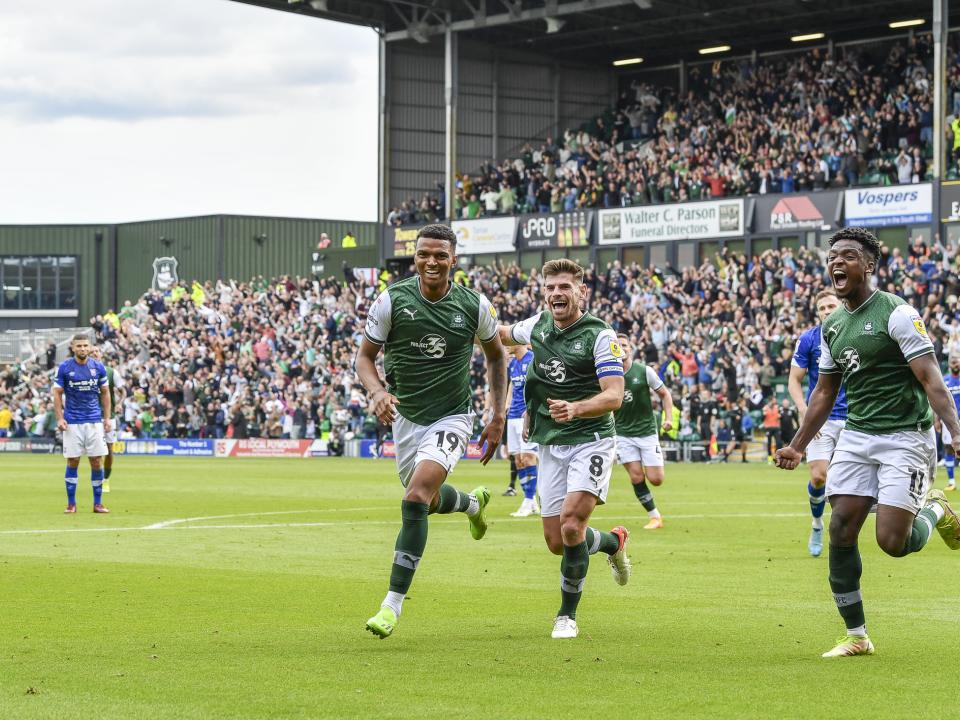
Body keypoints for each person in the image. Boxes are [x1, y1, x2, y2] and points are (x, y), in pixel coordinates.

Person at [776, 227, 960, 658]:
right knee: (841, 526)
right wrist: (798, 445)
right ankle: (857, 634)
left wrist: (956, 430)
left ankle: (935, 510)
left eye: (849, 256)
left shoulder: (897, 313)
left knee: (893, 543)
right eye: (833, 257)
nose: (837, 263)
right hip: (857, 435)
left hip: (905, 438)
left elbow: (932, 379)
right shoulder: (832, 326)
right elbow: (823, 392)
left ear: (870, 265)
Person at [356, 223, 508, 639]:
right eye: (424, 254)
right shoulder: (392, 300)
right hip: (405, 417)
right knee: (425, 499)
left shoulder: (474, 305)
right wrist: (376, 392)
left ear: (453, 259)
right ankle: (471, 505)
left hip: (452, 417)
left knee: (415, 497)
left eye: (441, 255)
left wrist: (497, 415)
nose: (432, 262)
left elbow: (497, 358)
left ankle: (391, 606)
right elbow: (365, 358)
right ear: (415, 257)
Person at [499, 258, 631, 640]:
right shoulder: (537, 324)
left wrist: (576, 408)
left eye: (565, 287)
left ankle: (566, 616)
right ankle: (612, 542)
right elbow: (503, 333)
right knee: (558, 541)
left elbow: (614, 396)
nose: (557, 293)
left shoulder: (600, 336)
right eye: (551, 287)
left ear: (581, 291)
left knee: (572, 524)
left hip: (591, 440)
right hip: (550, 442)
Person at [788, 289, 848, 557]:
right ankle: (816, 523)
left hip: (853, 418)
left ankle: (844, 532)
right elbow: (794, 380)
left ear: (841, 306)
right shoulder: (809, 339)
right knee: (819, 476)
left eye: (831, 305)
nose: (826, 310)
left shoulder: (855, 333)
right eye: (822, 307)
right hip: (821, 418)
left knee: (846, 482)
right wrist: (804, 409)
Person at [614, 333, 674, 529]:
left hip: (647, 432)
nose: (621, 347)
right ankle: (655, 516)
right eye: (617, 344)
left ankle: (655, 516)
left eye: (624, 344)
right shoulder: (607, 375)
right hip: (622, 434)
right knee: (637, 476)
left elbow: (665, 395)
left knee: (656, 479)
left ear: (631, 349)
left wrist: (669, 418)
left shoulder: (644, 371)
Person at [52, 335, 111, 514]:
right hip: (73, 422)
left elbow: (106, 393)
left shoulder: (98, 367)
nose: (83, 349)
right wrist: (59, 418)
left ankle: (98, 503)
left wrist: (107, 418)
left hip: (94, 421)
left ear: (90, 347)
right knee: (73, 461)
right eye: (79, 346)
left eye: (86, 345)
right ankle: (71, 504)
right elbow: (56, 394)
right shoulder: (64, 367)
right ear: (73, 347)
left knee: (96, 461)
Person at [504, 343, 539, 517]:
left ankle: (527, 500)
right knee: (518, 460)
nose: (505, 346)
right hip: (513, 416)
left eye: (508, 342)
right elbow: (511, 384)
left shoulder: (532, 359)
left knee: (528, 458)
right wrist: (507, 404)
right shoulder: (513, 363)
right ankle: (532, 502)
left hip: (528, 416)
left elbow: (539, 384)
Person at [90, 347, 124, 494]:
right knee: (95, 452)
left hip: (108, 417)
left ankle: (106, 479)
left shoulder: (111, 372)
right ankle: (98, 480)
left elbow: (123, 390)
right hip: (91, 416)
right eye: (92, 352)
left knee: (109, 451)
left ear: (101, 354)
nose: (95, 353)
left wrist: (120, 403)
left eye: (97, 351)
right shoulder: (82, 373)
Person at [937, 354, 960, 492]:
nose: (955, 364)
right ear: (949, 364)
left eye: (957, 361)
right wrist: (937, 420)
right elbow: (938, 401)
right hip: (949, 421)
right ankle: (952, 482)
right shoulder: (944, 381)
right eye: (952, 362)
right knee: (948, 449)